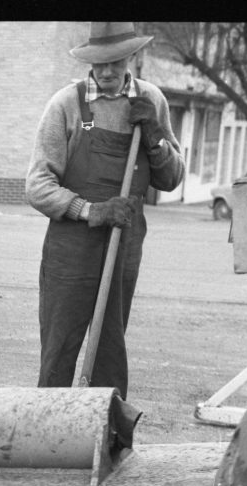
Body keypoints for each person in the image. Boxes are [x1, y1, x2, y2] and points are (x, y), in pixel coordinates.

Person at [26, 22, 185, 398]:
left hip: (125, 242)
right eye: (99, 63)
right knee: (59, 348)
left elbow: (172, 178)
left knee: (110, 348)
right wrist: (89, 210)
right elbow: (37, 186)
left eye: (115, 61)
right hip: (72, 246)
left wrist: (155, 139)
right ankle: (52, 440)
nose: (108, 71)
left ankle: (104, 439)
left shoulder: (151, 100)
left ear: (132, 55)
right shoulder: (67, 104)